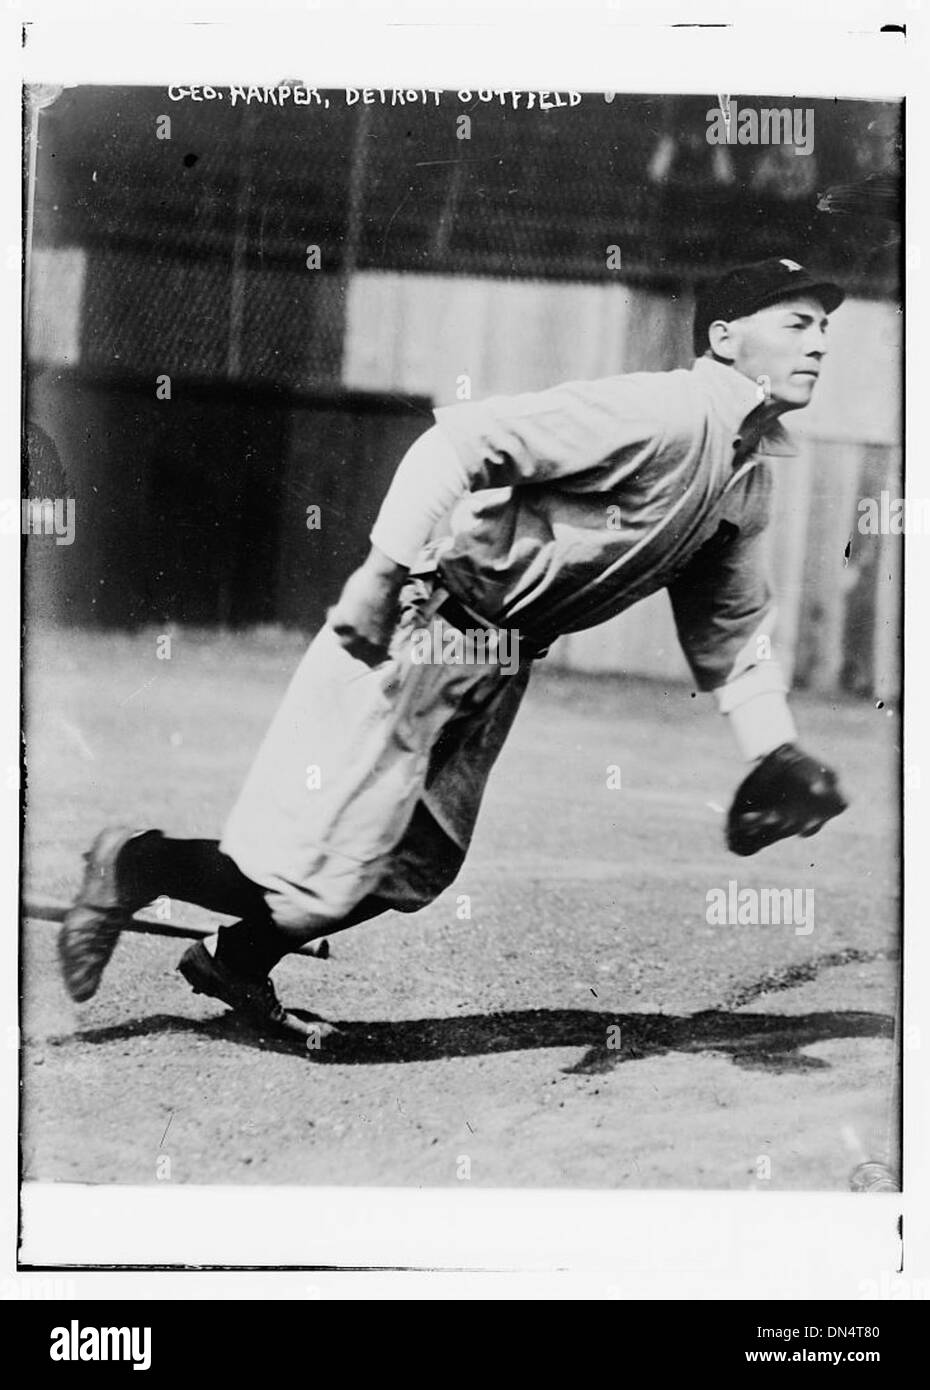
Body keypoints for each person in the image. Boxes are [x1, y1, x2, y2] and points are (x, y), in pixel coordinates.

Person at [58, 258, 849, 1038]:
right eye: (797, 324)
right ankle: (137, 863)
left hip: (503, 660)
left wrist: (774, 752)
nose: (818, 344)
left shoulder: (748, 479)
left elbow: (733, 630)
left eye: (824, 328)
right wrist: (377, 574)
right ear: (723, 337)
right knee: (315, 870)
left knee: (417, 861)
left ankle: (236, 959)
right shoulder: (661, 413)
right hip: (427, 628)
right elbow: (458, 443)